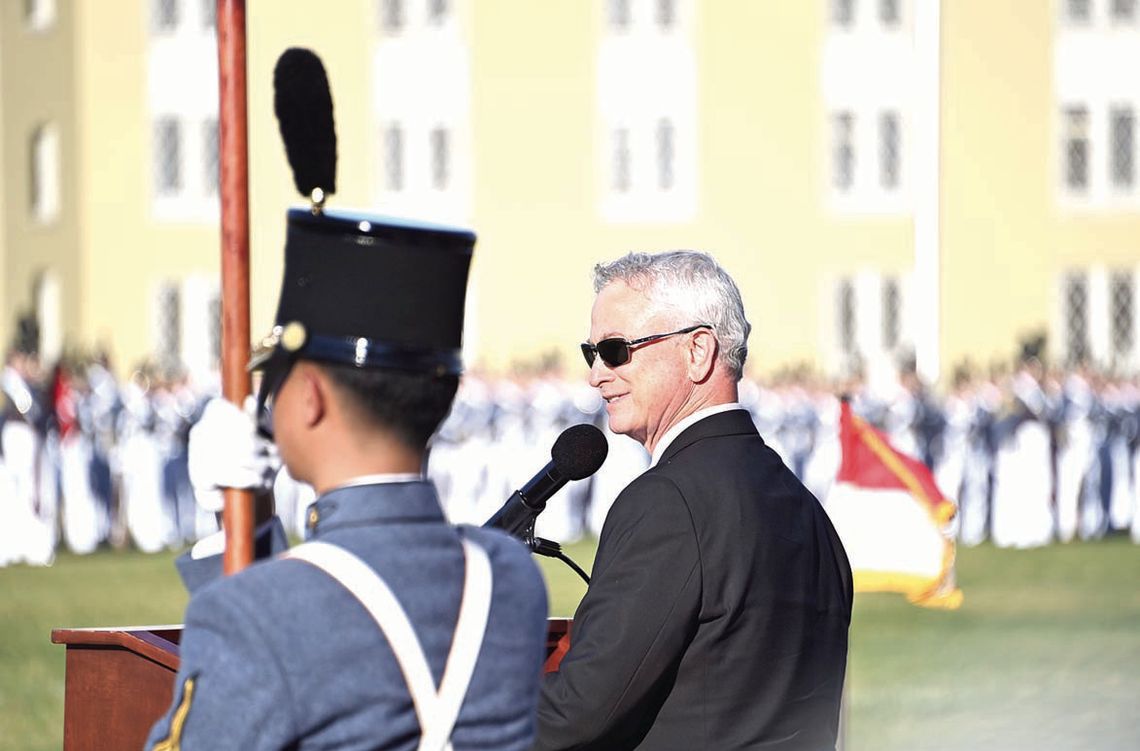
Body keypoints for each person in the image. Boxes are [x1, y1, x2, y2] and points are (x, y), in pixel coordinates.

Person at [145, 47, 548, 750]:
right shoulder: (507, 577)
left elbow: (290, 631)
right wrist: (243, 527)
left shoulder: (255, 616)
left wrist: (229, 541)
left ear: (308, 398)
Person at [534, 251, 853, 751]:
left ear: (698, 351)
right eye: (590, 352)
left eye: (616, 350)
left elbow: (576, 716)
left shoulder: (668, 502)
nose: (596, 374)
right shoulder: (806, 509)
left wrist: (454, 707)